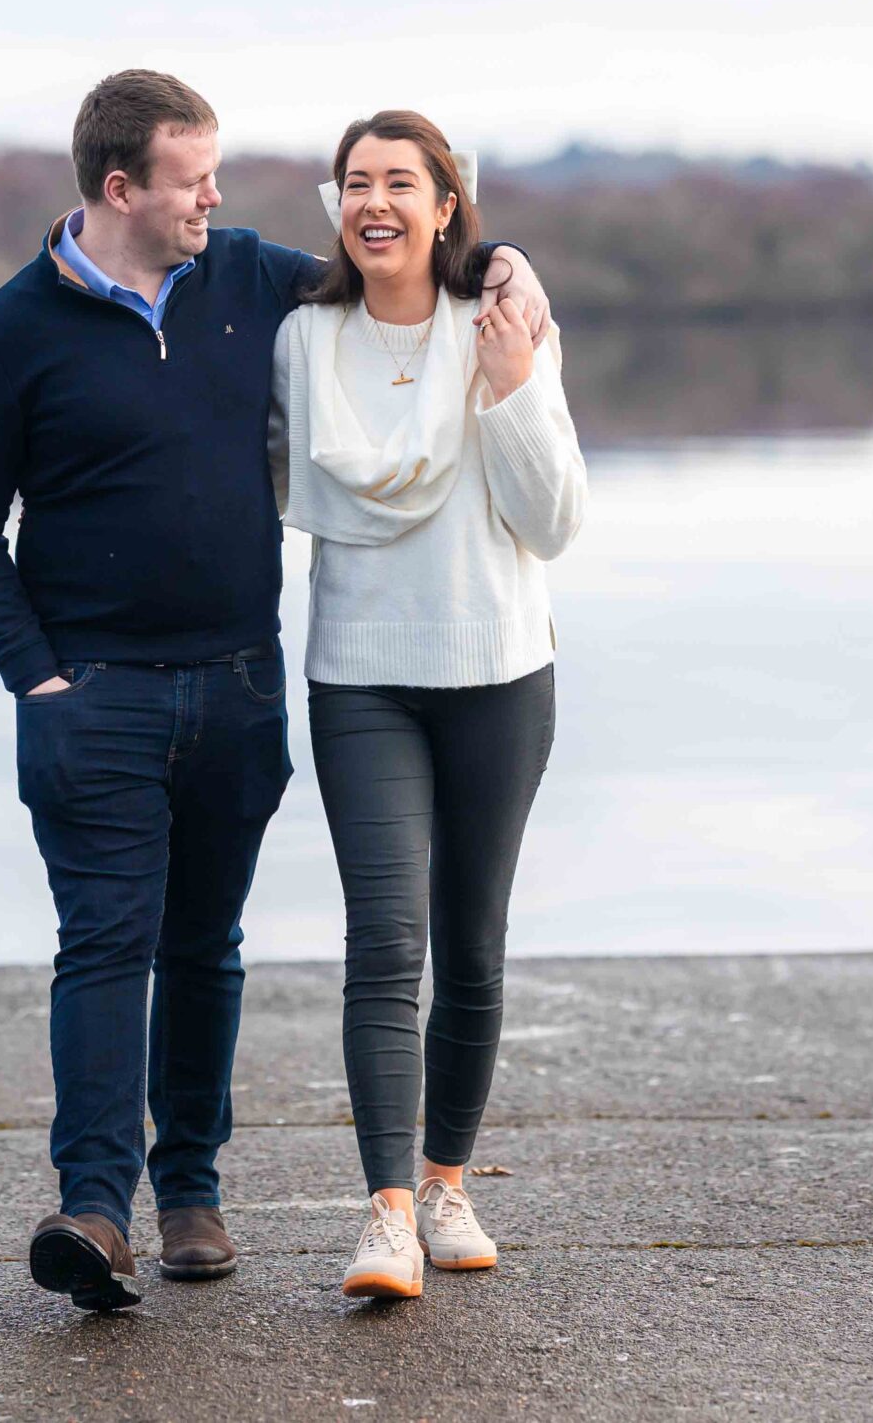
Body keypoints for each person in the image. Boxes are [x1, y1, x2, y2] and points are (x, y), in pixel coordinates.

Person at [0, 71, 551, 1312]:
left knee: (206, 947)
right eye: (191, 178)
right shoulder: (12, 331)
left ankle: (191, 1195)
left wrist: (508, 258)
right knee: (105, 945)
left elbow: (396, 265)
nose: (218, 196)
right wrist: (35, 675)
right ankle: (96, 1212)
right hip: (90, 695)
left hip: (238, 685)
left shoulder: (249, 281)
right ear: (121, 189)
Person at [268, 109, 586, 1301]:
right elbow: (259, 474)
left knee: (474, 944)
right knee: (384, 942)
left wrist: (510, 392)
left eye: (401, 182)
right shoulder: (304, 338)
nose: (374, 203)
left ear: (448, 205)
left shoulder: (500, 325)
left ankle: (447, 1182)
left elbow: (551, 523)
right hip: (360, 675)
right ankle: (388, 1214)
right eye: (355, 183)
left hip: (499, 671)